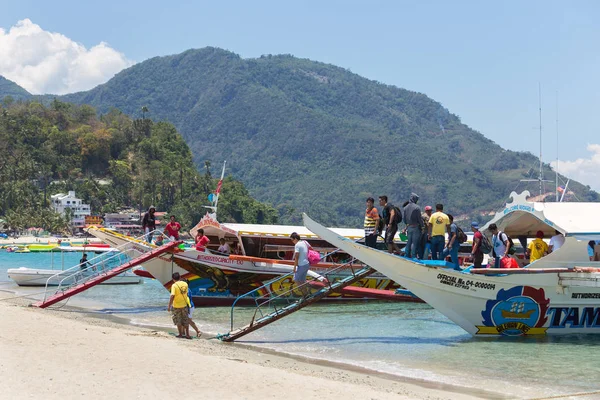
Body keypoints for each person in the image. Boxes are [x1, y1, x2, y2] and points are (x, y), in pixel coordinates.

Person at [167, 272, 191, 339]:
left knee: (178, 320)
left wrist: (169, 306)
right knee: (186, 320)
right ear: (180, 277)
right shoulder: (185, 284)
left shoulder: (174, 285)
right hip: (184, 305)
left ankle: (180, 334)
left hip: (176, 306)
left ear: (173, 279)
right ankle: (187, 335)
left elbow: (172, 296)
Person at [402, 193, 424, 258]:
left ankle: (406, 255)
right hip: (416, 227)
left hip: (409, 227)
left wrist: (407, 224)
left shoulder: (405, 208)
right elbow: (419, 219)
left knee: (408, 242)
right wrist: (422, 226)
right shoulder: (417, 207)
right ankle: (413, 256)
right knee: (414, 243)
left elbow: (404, 219)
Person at [290, 232, 310, 299]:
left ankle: (305, 294)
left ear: (295, 239)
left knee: (296, 279)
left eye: (292, 240)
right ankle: (306, 294)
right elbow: (311, 249)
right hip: (307, 264)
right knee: (302, 280)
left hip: (301, 265)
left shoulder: (297, 245)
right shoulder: (305, 242)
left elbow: (296, 256)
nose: (292, 241)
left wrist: (294, 267)